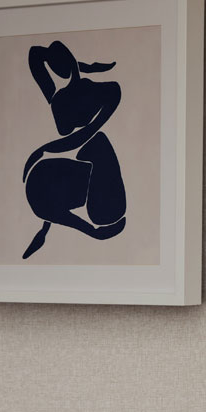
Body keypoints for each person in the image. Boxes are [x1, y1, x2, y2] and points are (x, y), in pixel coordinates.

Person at [19, 40, 127, 259]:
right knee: (107, 210)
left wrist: (44, 149)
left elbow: (86, 135)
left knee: (96, 143)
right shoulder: (46, 205)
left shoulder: (102, 93)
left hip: (52, 168)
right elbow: (83, 227)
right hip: (50, 171)